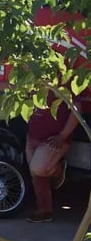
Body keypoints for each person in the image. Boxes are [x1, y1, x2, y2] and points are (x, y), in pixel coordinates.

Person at [24, 93, 79, 223]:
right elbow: (12, 86)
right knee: (36, 174)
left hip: (53, 140)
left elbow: (76, 110)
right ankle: (44, 211)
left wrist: (62, 136)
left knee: (38, 169)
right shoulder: (34, 78)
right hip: (32, 137)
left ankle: (57, 169)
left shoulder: (67, 81)